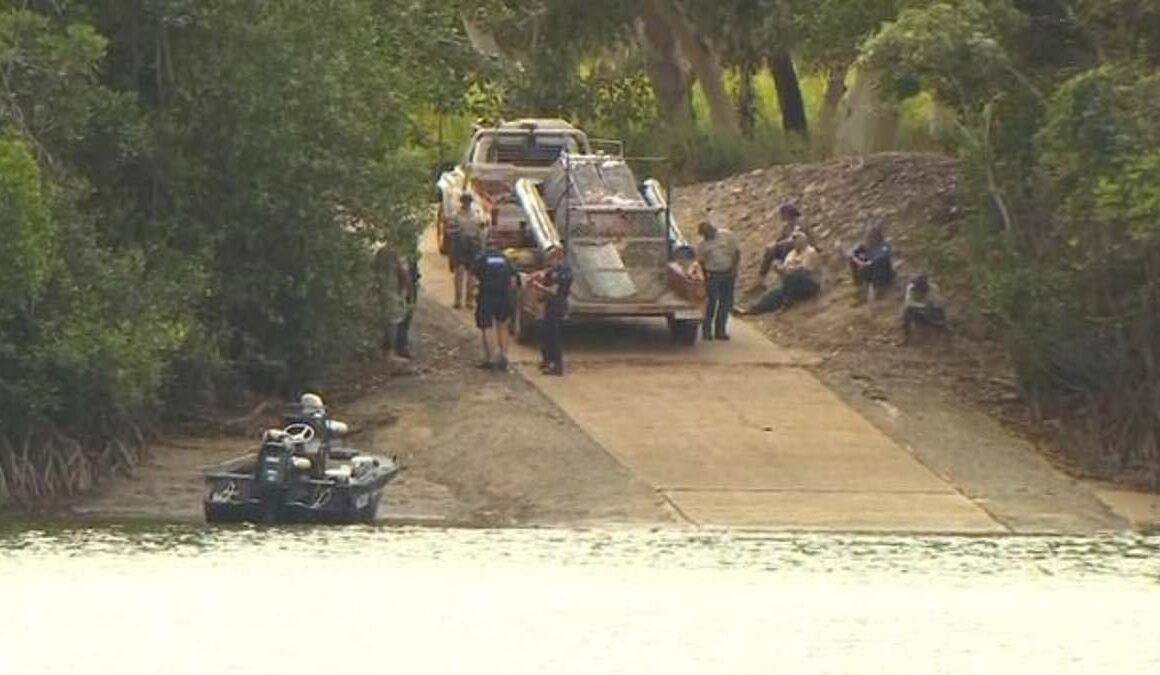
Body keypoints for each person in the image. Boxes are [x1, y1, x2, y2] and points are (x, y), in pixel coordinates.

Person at [737, 230, 822, 315]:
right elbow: (785, 268)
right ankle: (753, 309)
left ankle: (786, 304)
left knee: (794, 275)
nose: (794, 243)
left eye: (796, 240)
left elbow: (805, 269)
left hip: (810, 282)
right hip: (791, 283)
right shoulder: (792, 253)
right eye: (793, 241)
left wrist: (789, 269)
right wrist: (779, 268)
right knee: (774, 293)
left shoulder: (810, 252)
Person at [472, 246, 519, 370]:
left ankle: (490, 358)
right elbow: (514, 280)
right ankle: (503, 355)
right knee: (503, 325)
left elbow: (474, 277)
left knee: (487, 327)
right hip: (504, 296)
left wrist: (474, 291)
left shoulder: (481, 258)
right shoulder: (505, 258)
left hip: (486, 296)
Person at [532, 246, 573, 376]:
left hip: (556, 305)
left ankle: (557, 366)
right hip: (554, 304)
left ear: (558, 259)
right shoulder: (562, 270)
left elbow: (554, 291)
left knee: (554, 336)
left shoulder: (559, 272)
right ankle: (548, 361)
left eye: (552, 259)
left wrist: (538, 286)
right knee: (546, 333)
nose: (550, 262)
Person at [696, 221, 740, 341]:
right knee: (711, 304)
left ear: (712, 230)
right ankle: (706, 331)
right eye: (704, 234)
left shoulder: (727, 235)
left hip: (728, 273)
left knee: (725, 304)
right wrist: (704, 278)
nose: (706, 236)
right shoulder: (702, 245)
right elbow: (701, 262)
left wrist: (735, 269)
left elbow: (736, 253)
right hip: (713, 275)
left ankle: (720, 331)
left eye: (707, 233)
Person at [373, 242, 411, 361]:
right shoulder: (397, 253)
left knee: (384, 320)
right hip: (392, 290)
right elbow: (404, 273)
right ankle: (390, 352)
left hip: (381, 289)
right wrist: (408, 290)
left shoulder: (380, 252)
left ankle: (383, 349)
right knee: (393, 321)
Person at [448, 193, 486, 309]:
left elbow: (481, 233)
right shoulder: (456, 216)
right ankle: (458, 299)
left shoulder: (476, 216)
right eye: (465, 201)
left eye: (468, 201)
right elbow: (450, 231)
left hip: (471, 246)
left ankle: (468, 300)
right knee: (460, 273)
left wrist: (481, 247)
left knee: (471, 274)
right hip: (461, 245)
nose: (466, 203)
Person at [849, 220, 894, 304]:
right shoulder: (867, 244)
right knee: (856, 261)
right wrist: (858, 260)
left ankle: (878, 288)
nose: (871, 237)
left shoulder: (884, 246)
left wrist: (866, 263)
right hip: (870, 268)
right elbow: (853, 253)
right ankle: (859, 285)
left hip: (883, 273)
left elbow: (880, 259)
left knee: (878, 264)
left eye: (873, 235)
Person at [901, 274, 946, 343]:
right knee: (906, 310)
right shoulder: (911, 288)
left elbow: (937, 303)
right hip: (919, 309)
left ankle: (940, 329)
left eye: (920, 284)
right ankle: (906, 336)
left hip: (932, 311)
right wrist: (923, 306)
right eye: (917, 284)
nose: (918, 286)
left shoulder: (933, 288)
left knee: (937, 309)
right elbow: (909, 303)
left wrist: (927, 307)